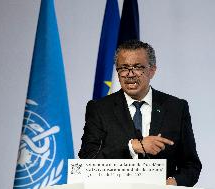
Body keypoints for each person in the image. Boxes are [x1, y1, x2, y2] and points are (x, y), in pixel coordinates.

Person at [79, 40, 202, 186]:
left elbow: (191, 165)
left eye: (137, 67)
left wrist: (173, 182)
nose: (130, 74)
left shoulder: (176, 108)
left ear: (152, 70)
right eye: (124, 68)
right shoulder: (99, 109)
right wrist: (133, 147)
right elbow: (88, 159)